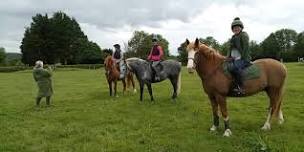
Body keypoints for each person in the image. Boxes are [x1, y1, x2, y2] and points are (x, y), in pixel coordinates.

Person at [227, 17, 251, 94]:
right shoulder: (233, 37)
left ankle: (241, 87)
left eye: (237, 27)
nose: (236, 29)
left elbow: (245, 48)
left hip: (244, 58)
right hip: (235, 58)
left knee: (234, 68)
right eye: (234, 28)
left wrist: (241, 58)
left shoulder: (244, 35)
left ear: (241, 28)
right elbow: (230, 49)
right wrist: (227, 57)